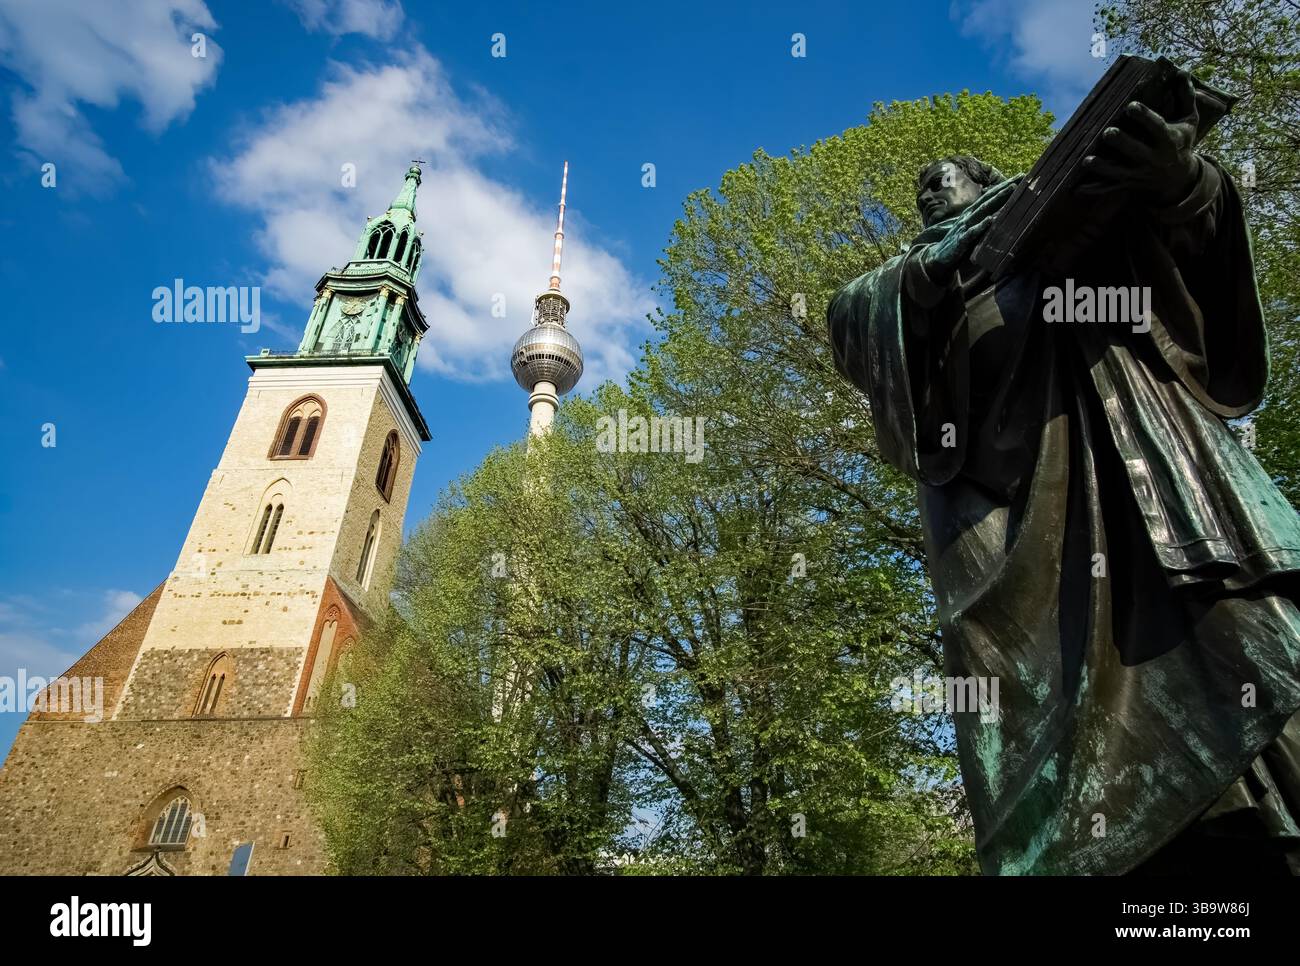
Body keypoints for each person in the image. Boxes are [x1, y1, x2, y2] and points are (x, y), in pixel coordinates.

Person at [827, 73, 1300, 875]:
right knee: (1027, 730)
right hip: (1007, 536)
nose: (930, 193)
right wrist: (925, 271)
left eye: (943, 178)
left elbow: (1191, 265)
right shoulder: (911, 284)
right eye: (920, 191)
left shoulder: (1051, 213)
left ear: (983, 182)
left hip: (1138, 472)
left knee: (1243, 647)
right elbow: (850, 319)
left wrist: (1184, 184)